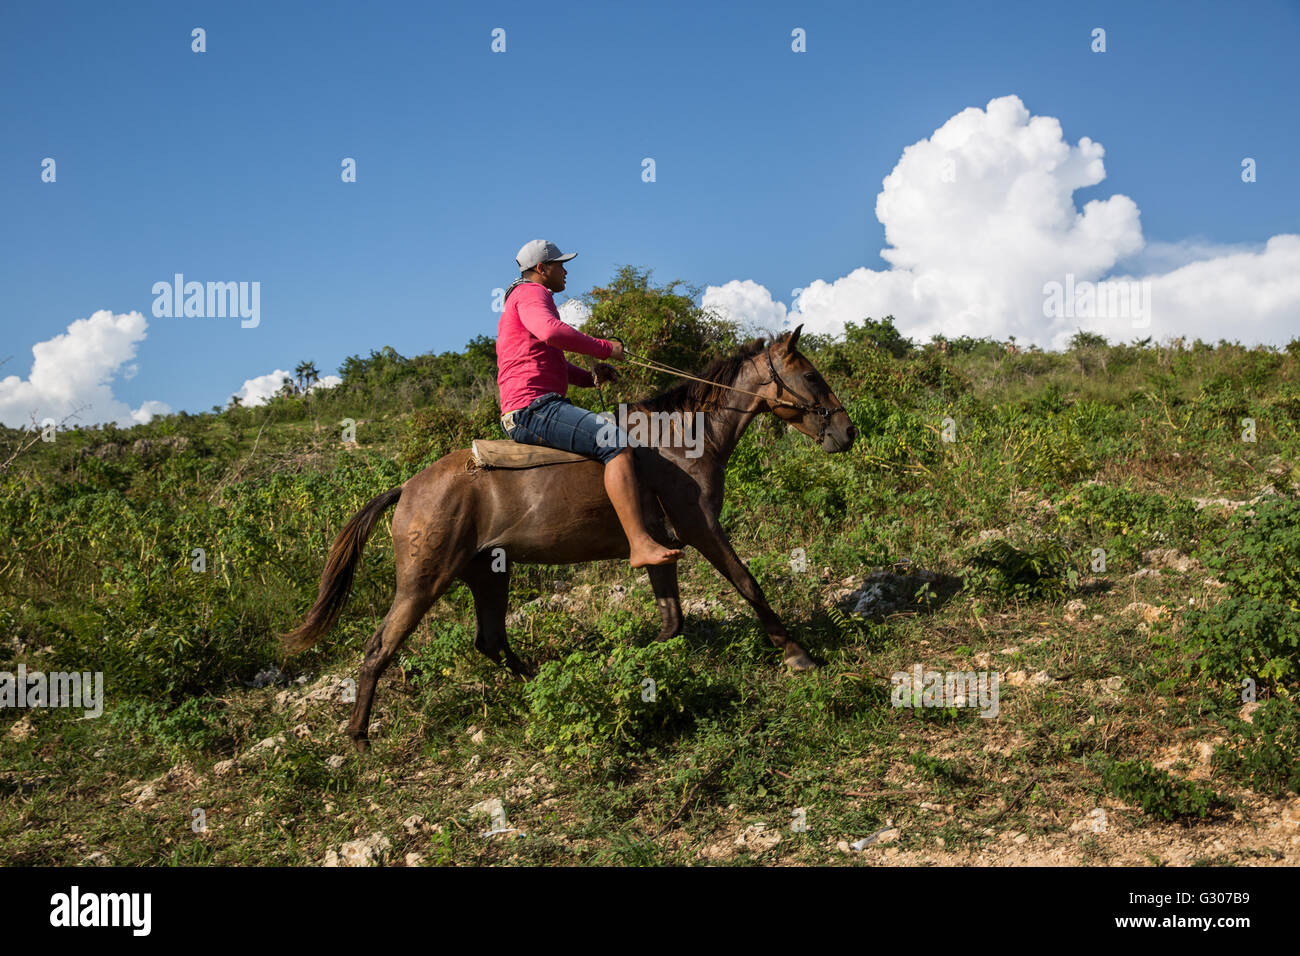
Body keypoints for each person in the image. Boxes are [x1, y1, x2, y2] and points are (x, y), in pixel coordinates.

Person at [496, 239, 682, 568]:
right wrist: (606, 348)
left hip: (530, 405)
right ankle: (638, 544)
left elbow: (546, 359)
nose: (565, 270)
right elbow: (551, 332)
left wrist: (587, 377)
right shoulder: (532, 294)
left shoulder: (521, 298)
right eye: (560, 265)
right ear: (542, 269)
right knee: (616, 442)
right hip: (534, 409)